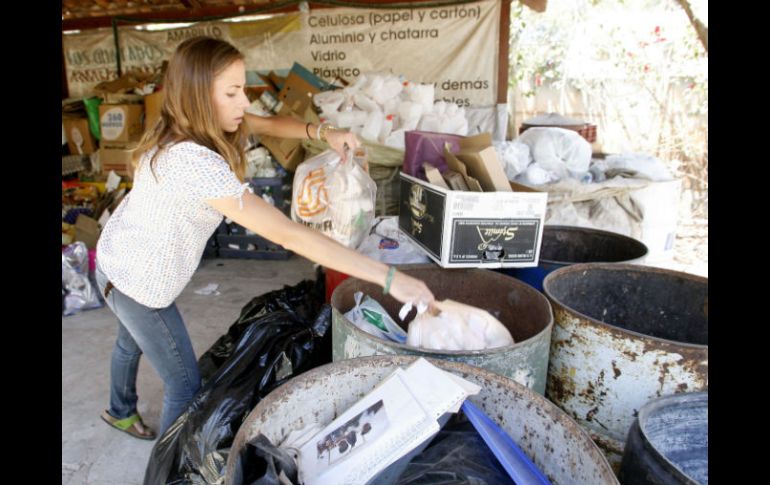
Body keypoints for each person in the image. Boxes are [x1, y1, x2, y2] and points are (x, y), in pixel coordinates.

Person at [95, 36, 435, 440]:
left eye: (243, 89)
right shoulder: (193, 163)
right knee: (185, 386)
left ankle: (119, 411)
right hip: (139, 286)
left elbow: (269, 123)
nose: (244, 103)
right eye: (232, 93)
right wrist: (387, 276)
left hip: (114, 261)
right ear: (198, 95)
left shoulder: (186, 125)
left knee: (129, 343)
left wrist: (323, 130)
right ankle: (169, 468)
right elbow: (288, 233)